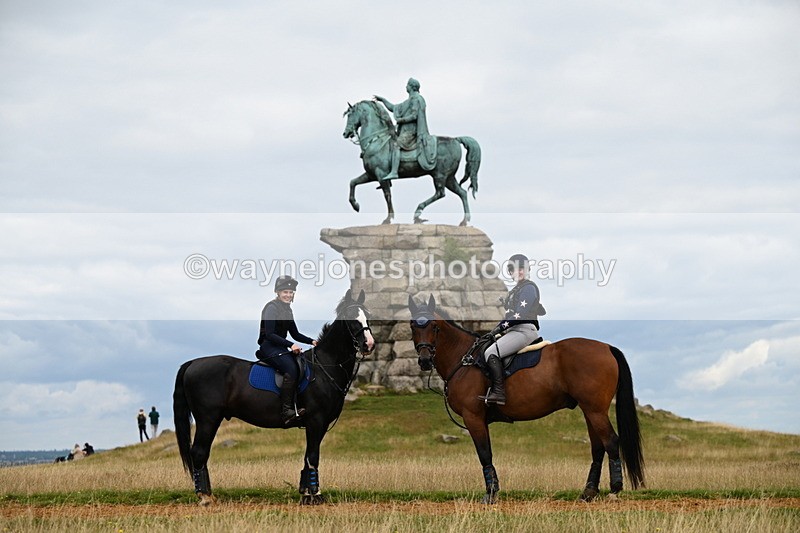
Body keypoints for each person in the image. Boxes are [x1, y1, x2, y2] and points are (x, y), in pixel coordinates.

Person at [479, 254, 546, 405]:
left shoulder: (529, 288)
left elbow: (519, 315)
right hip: (514, 330)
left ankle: (499, 393)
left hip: (523, 330)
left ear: (527, 269)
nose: (519, 272)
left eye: (522, 268)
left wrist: (498, 329)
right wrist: (498, 330)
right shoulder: (517, 289)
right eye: (515, 269)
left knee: (491, 352)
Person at [256, 275, 318, 425]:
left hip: (280, 346)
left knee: (301, 364)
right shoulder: (271, 308)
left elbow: (295, 334)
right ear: (277, 292)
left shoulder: (287, 310)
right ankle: (286, 411)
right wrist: (291, 345)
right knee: (291, 368)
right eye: (285, 292)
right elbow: (270, 334)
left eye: (291, 292)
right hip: (268, 346)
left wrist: (312, 341)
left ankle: (299, 403)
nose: (288, 295)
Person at [373, 77, 434, 181]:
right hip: (404, 131)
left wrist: (401, 120)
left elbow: (414, 116)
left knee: (396, 145)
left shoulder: (416, 99)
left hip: (411, 132)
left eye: (407, 85)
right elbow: (393, 108)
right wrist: (383, 100)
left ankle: (394, 172)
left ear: (411, 87)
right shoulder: (408, 101)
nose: (406, 86)